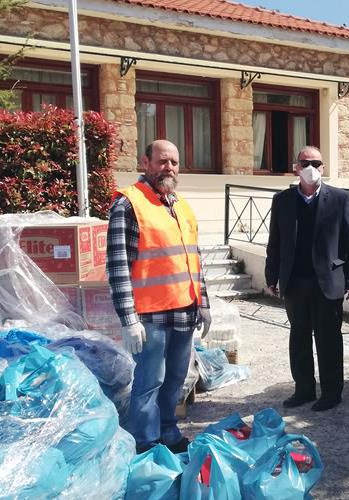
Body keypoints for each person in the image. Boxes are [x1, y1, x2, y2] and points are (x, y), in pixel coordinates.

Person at [107, 139, 212, 454]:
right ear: (145, 162)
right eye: (162, 161)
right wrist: (128, 319)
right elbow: (118, 266)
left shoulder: (180, 205)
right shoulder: (129, 204)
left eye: (174, 162)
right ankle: (146, 442)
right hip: (150, 316)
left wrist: (204, 304)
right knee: (149, 382)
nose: (169, 168)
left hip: (184, 311)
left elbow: (194, 258)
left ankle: (168, 431)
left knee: (176, 379)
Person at [264, 146, 349, 412]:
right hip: (295, 282)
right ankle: (304, 389)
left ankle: (331, 393)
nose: (310, 168)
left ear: (323, 167)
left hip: (329, 281)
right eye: (305, 162)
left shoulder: (339, 198)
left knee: (329, 339)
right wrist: (272, 274)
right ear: (296, 168)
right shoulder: (282, 200)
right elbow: (275, 241)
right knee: (299, 338)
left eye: (316, 163)